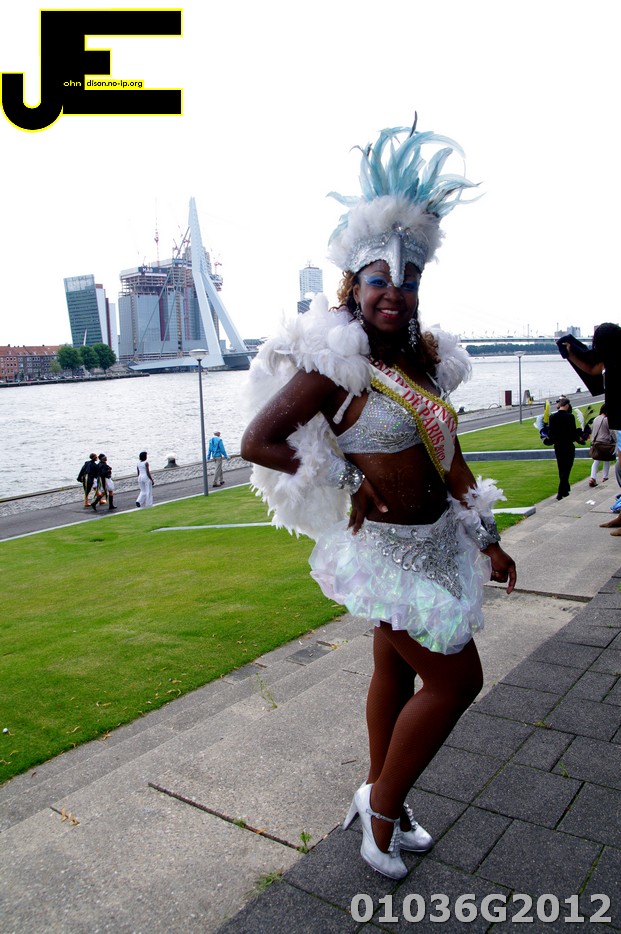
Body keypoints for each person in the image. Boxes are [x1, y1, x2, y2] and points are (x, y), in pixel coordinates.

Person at [241, 118, 516, 880]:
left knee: (394, 673)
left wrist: (487, 536)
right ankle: (383, 811)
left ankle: (378, 790)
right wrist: (346, 481)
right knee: (457, 681)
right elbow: (258, 441)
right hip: (385, 555)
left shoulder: (424, 363)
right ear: (352, 287)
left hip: (438, 544)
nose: (394, 292)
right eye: (378, 280)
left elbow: (448, 455)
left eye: (408, 281)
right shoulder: (334, 366)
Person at [559, 323, 621, 429]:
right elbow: (591, 369)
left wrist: (571, 354)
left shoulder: (607, 363)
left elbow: (591, 369)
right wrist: (571, 355)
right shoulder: (607, 361)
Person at [547, 397, 582, 500]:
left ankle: (565, 490)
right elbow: (572, 433)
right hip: (568, 445)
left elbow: (551, 433)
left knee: (561, 467)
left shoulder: (552, 417)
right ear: (567, 405)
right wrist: (579, 436)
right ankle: (560, 491)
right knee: (567, 468)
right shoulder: (570, 417)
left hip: (558, 446)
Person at [588, 404, 615, 487]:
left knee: (596, 461)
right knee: (607, 460)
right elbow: (612, 432)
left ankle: (592, 477)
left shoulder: (596, 419)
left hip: (596, 443)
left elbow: (592, 430)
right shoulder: (607, 420)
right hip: (606, 443)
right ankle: (605, 477)